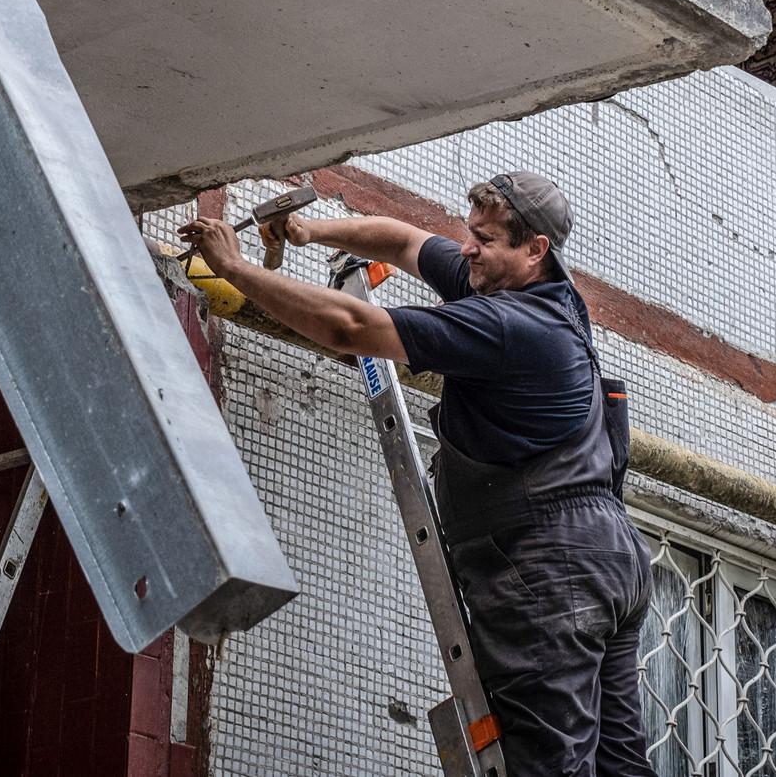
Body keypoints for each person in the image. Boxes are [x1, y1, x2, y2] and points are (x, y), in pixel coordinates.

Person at [179, 172, 654, 777]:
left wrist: (238, 269)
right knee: (619, 766)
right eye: (470, 234)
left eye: (484, 239)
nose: (467, 249)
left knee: (548, 767)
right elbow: (403, 241)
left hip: (551, 568)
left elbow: (351, 329)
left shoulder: (511, 327)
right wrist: (305, 230)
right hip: (608, 561)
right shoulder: (540, 297)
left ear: (534, 249)